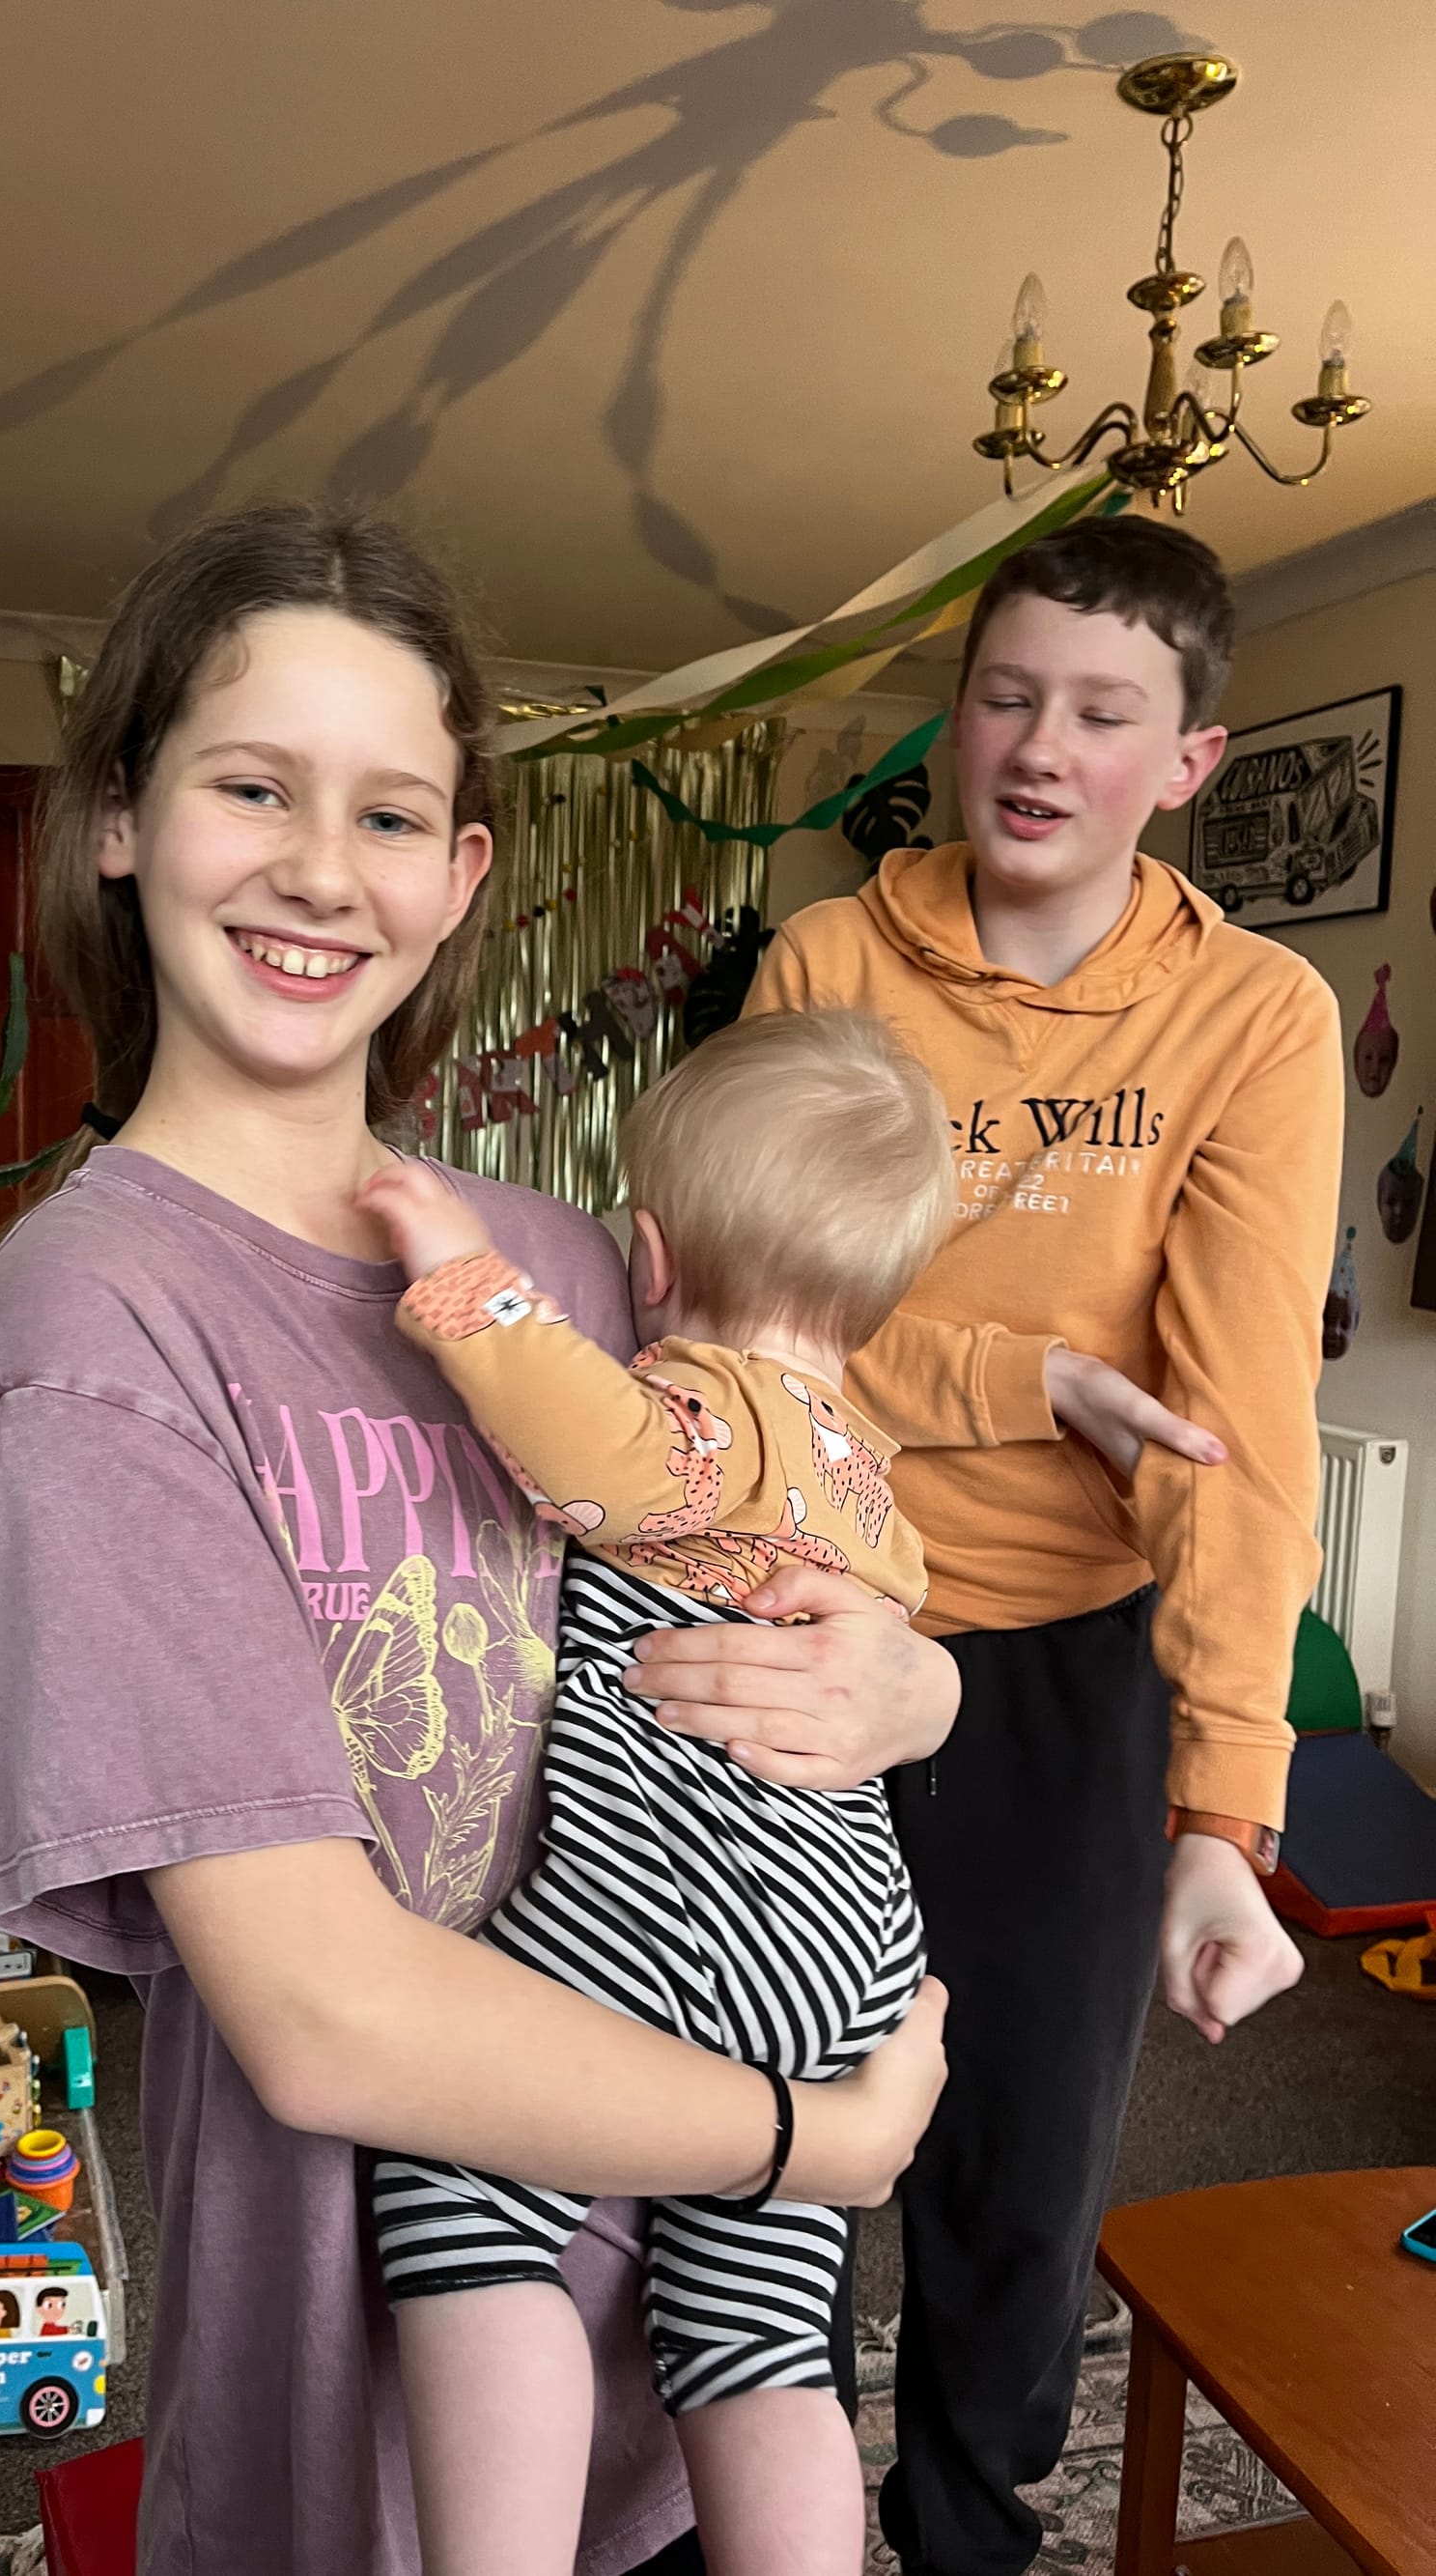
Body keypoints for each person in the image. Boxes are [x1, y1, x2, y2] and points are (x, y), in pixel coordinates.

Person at [0, 499, 959, 2576]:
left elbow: (790, 1510)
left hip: (672, 2370)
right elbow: (321, 2011)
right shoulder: (96, 1311)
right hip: (367, 2416)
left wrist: (908, 1681)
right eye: (253, 786)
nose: (324, 870)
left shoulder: (561, 1266)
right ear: (120, 815)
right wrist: (822, 2134)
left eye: (392, 813)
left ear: (462, 875)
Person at [742, 513, 1342, 2576]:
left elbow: (1235, 1421)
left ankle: (964, 2537)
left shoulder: (1254, 1016)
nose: (1040, 749)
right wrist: (1037, 1377)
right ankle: (752, 2518)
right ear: (959, 711)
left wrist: (1225, 1807)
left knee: (1019, 2166)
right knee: (773, 2135)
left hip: (1081, 1654)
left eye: (1101, 713)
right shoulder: (828, 964)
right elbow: (752, 1321)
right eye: (1006, 697)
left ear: (1188, 758)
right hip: (818, 1604)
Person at [360, 1008, 953, 2576]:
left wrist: (459, 1269)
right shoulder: (868, 1474)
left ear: (651, 1255)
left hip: (681, 1893)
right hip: (849, 1937)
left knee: (457, 2170)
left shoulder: (705, 1415)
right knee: (760, 2321)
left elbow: (581, 1442)